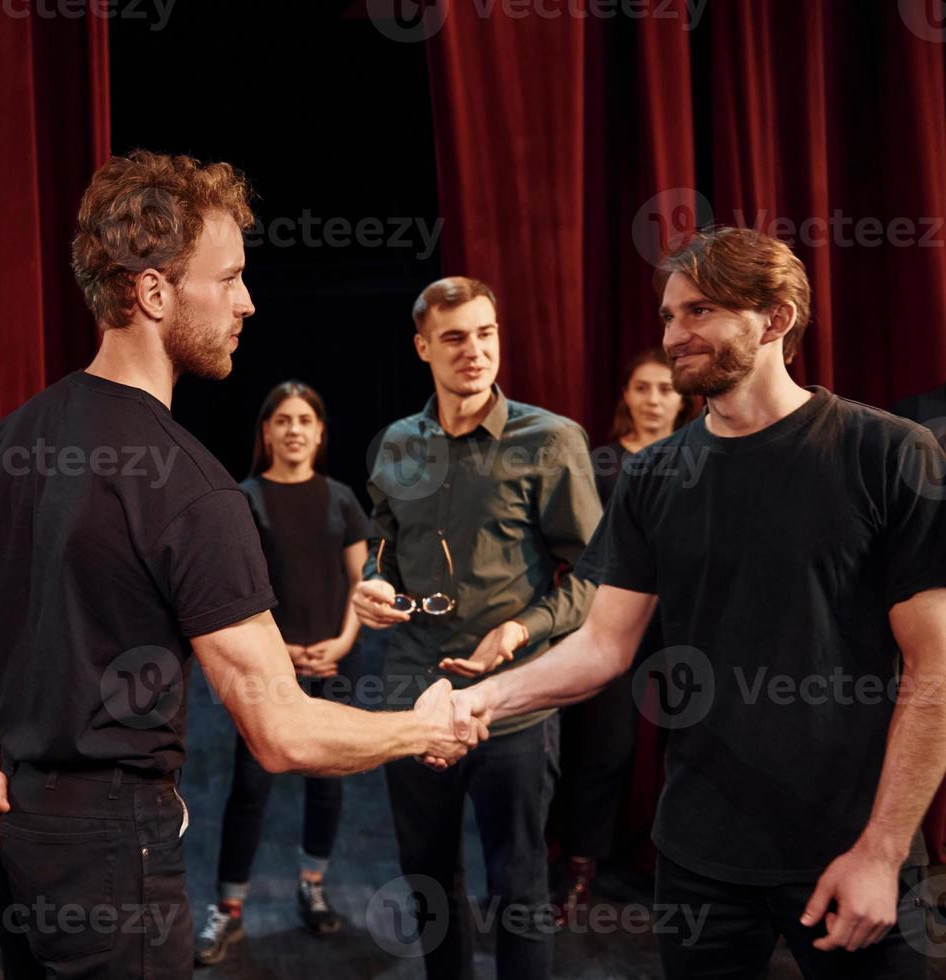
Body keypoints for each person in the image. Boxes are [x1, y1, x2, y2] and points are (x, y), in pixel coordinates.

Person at [0, 150, 487, 980]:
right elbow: (282, 732)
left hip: (21, 838)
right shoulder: (194, 490)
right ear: (155, 293)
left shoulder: (20, 432)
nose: (248, 302)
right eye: (228, 279)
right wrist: (427, 727)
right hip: (111, 857)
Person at [459, 226, 946, 978]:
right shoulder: (654, 477)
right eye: (667, 315)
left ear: (776, 319)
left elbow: (935, 666)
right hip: (698, 859)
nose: (674, 334)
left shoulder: (889, 453)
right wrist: (480, 700)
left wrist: (882, 851)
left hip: (855, 848)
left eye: (699, 312)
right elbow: (602, 647)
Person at [352, 275, 604, 980]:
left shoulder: (551, 440)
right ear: (422, 346)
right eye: (456, 337)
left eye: (486, 333)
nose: (474, 351)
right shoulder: (397, 444)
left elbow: (592, 577)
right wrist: (373, 589)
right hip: (412, 693)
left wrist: (522, 630)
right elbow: (382, 548)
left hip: (512, 702)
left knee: (518, 887)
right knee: (428, 882)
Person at [193, 380, 373, 965]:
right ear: (266, 431)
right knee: (251, 786)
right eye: (283, 420)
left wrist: (343, 642)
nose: (294, 429)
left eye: (306, 420)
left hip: (334, 660)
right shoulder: (242, 499)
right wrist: (281, 653)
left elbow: (359, 583)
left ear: (320, 433)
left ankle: (312, 886)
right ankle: (230, 908)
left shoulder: (341, 498)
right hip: (269, 668)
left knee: (328, 783)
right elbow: (236, 592)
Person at [550, 348, 698, 922]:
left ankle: (683, 873)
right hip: (611, 624)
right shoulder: (601, 463)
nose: (654, 399)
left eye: (665, 388)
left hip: (684, 630)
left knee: (687, 749)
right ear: (627, 397)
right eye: (643, 388)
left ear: (681, 397)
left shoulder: (702, 459)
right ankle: (581, 868)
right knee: (605, 751)